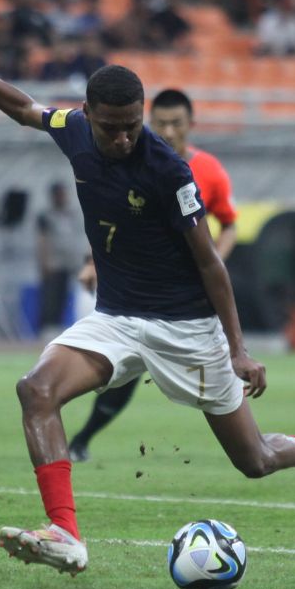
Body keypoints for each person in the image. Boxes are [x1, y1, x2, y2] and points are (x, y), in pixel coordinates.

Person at [0, 22, 295, 577]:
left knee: (254, 460)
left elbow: (210, 262)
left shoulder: (167, 169)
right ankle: (65, 533)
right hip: (117, 318)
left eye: (133, 126)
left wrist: (239, 349)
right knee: (35, 390)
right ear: (89, 113)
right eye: (113, 128)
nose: (124, 139)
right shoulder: (76, 129)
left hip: (187, 327)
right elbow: (24, 107)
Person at [66, 88, 241, 462]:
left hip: (189, 305)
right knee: (117, 373)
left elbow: (229, 225)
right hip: (134, 297)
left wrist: (215, 261)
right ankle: (81, 440)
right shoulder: (125, 159)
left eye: (176, 123)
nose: (168, 130)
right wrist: (92, 261)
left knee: (249, 453)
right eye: (160, 122)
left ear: (190, 125)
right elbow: (115, 224)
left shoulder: (206, 170)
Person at [35, 182, 81, 337]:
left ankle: (58, 329)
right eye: (60, 194)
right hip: (53, 264)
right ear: (54, 196)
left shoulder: (70, 214)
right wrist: (44, 263)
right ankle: (47, 331)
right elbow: (42, 240)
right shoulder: (46, 216)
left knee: (63, 298)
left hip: (68, 264)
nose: (64, 197)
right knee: (50, 299)